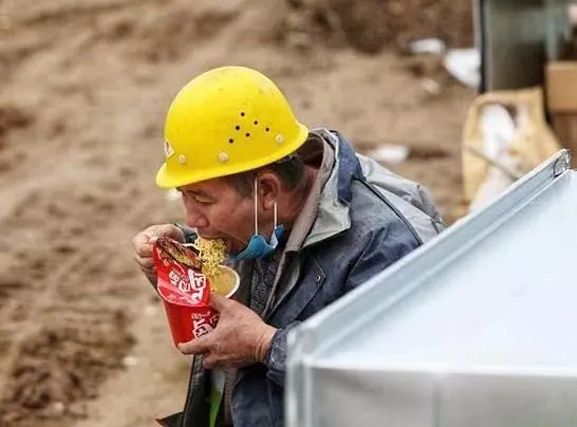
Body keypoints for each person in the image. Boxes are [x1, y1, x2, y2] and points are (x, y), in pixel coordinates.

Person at [133, 66, 445, 427]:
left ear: (266, 190)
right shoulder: (269, 221)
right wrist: (180, 258)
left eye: (202, 200)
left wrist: (266, 345)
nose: (194, 220)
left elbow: (395, 384)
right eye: (183, 196)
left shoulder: (386, 243)